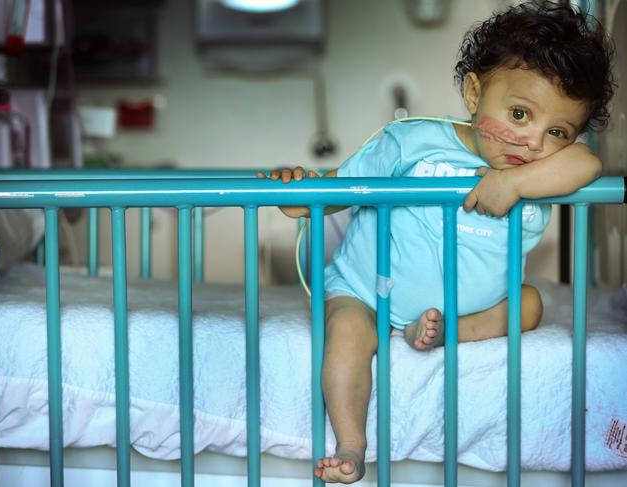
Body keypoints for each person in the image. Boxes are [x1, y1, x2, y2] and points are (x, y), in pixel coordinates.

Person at [258, 1, 614, 483]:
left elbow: (589, 165)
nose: (532, 142)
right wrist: (296, 192)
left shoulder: (541, 173)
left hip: (464, 309)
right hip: (368, 292)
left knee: (529, 305)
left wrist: (512, 184)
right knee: (344, 331)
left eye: (557, 131)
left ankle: (448, 331)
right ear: (474, 93)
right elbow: (334, 191)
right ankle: (351, 443)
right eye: (518, 113)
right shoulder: (413, 142)